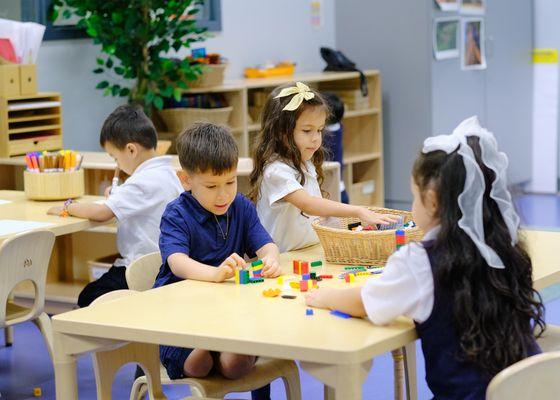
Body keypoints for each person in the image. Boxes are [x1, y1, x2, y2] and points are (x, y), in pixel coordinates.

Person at [305, 116, 545, 399]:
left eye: (414, 196)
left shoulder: (420, 261)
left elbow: (365, 302)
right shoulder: (506, 248)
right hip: (530, 389)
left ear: (431, 199)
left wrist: (324, 296)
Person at [153, 122, 280, 399]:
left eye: (230, 182)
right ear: (185, 180)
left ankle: (225, 349)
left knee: (235, 364)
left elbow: (266, 244)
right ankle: (208, 347)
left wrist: (271, 259)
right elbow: (177, 262)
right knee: (198, 364)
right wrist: (215, 274)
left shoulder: (241, 207)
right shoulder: (176, 213)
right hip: (182, 318)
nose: (223, 194)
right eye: (211, 186)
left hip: (228, 314)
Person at [47, 104, 183, 307]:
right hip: (167, 266)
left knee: (88, 297)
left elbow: (102, 213)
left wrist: (68, 206)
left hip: (144, 269)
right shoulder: (168, 174)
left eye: (115, 158)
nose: (117, 165)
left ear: (131, 149)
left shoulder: (142, 181)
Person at [249, 81, 398, 252]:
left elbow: (318, 215)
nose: (316, 138)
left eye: (319, 130)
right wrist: (358, 211)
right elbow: (310, 204)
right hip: (284, 259)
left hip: (310, 251)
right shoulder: (276, 171)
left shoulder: (305, 162)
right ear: (281, 132)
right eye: (307, 131)